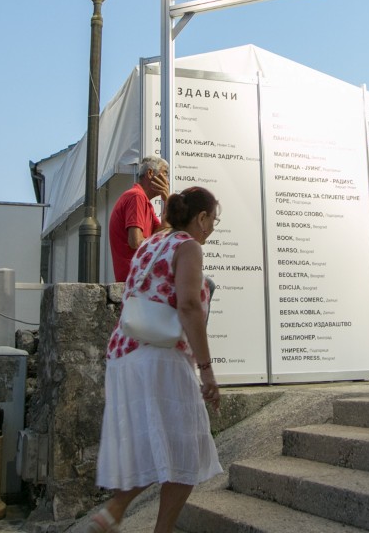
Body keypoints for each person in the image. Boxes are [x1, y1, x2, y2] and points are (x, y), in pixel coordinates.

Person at [90, 186, 222, 533]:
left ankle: (114, 511)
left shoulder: (152, 243)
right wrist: (207, 370)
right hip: (161, 356)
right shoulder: (188, 247)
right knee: (186, 449)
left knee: (153, 444)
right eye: (214, 220)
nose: (213, 228)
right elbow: (189, 307)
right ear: (201, 218)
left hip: (125, 353)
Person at [108, 156, 171, 282]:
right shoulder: (136, 196)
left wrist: (168, 202)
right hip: (136, 277)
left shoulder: (144, 201)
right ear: (150, 173)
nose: (167, 182)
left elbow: (164, 233)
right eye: (165, 173)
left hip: (140, 274)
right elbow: (135, 242)